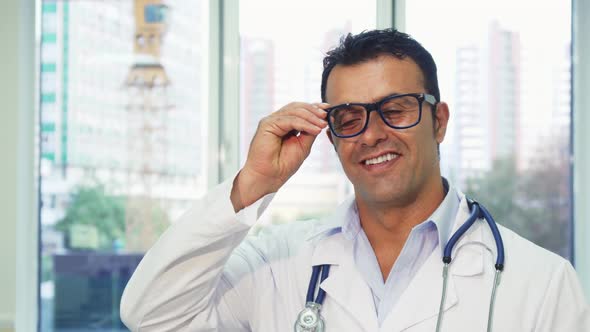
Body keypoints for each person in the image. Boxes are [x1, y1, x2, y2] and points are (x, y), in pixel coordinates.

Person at [120, 28, 589, 331]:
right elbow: (152, 314)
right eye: (349, 117)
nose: (373, 134)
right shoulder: (277, 263)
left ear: (439, 121)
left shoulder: (541, 282)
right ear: (332, 136)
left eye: (396, 109)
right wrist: (252, 184)